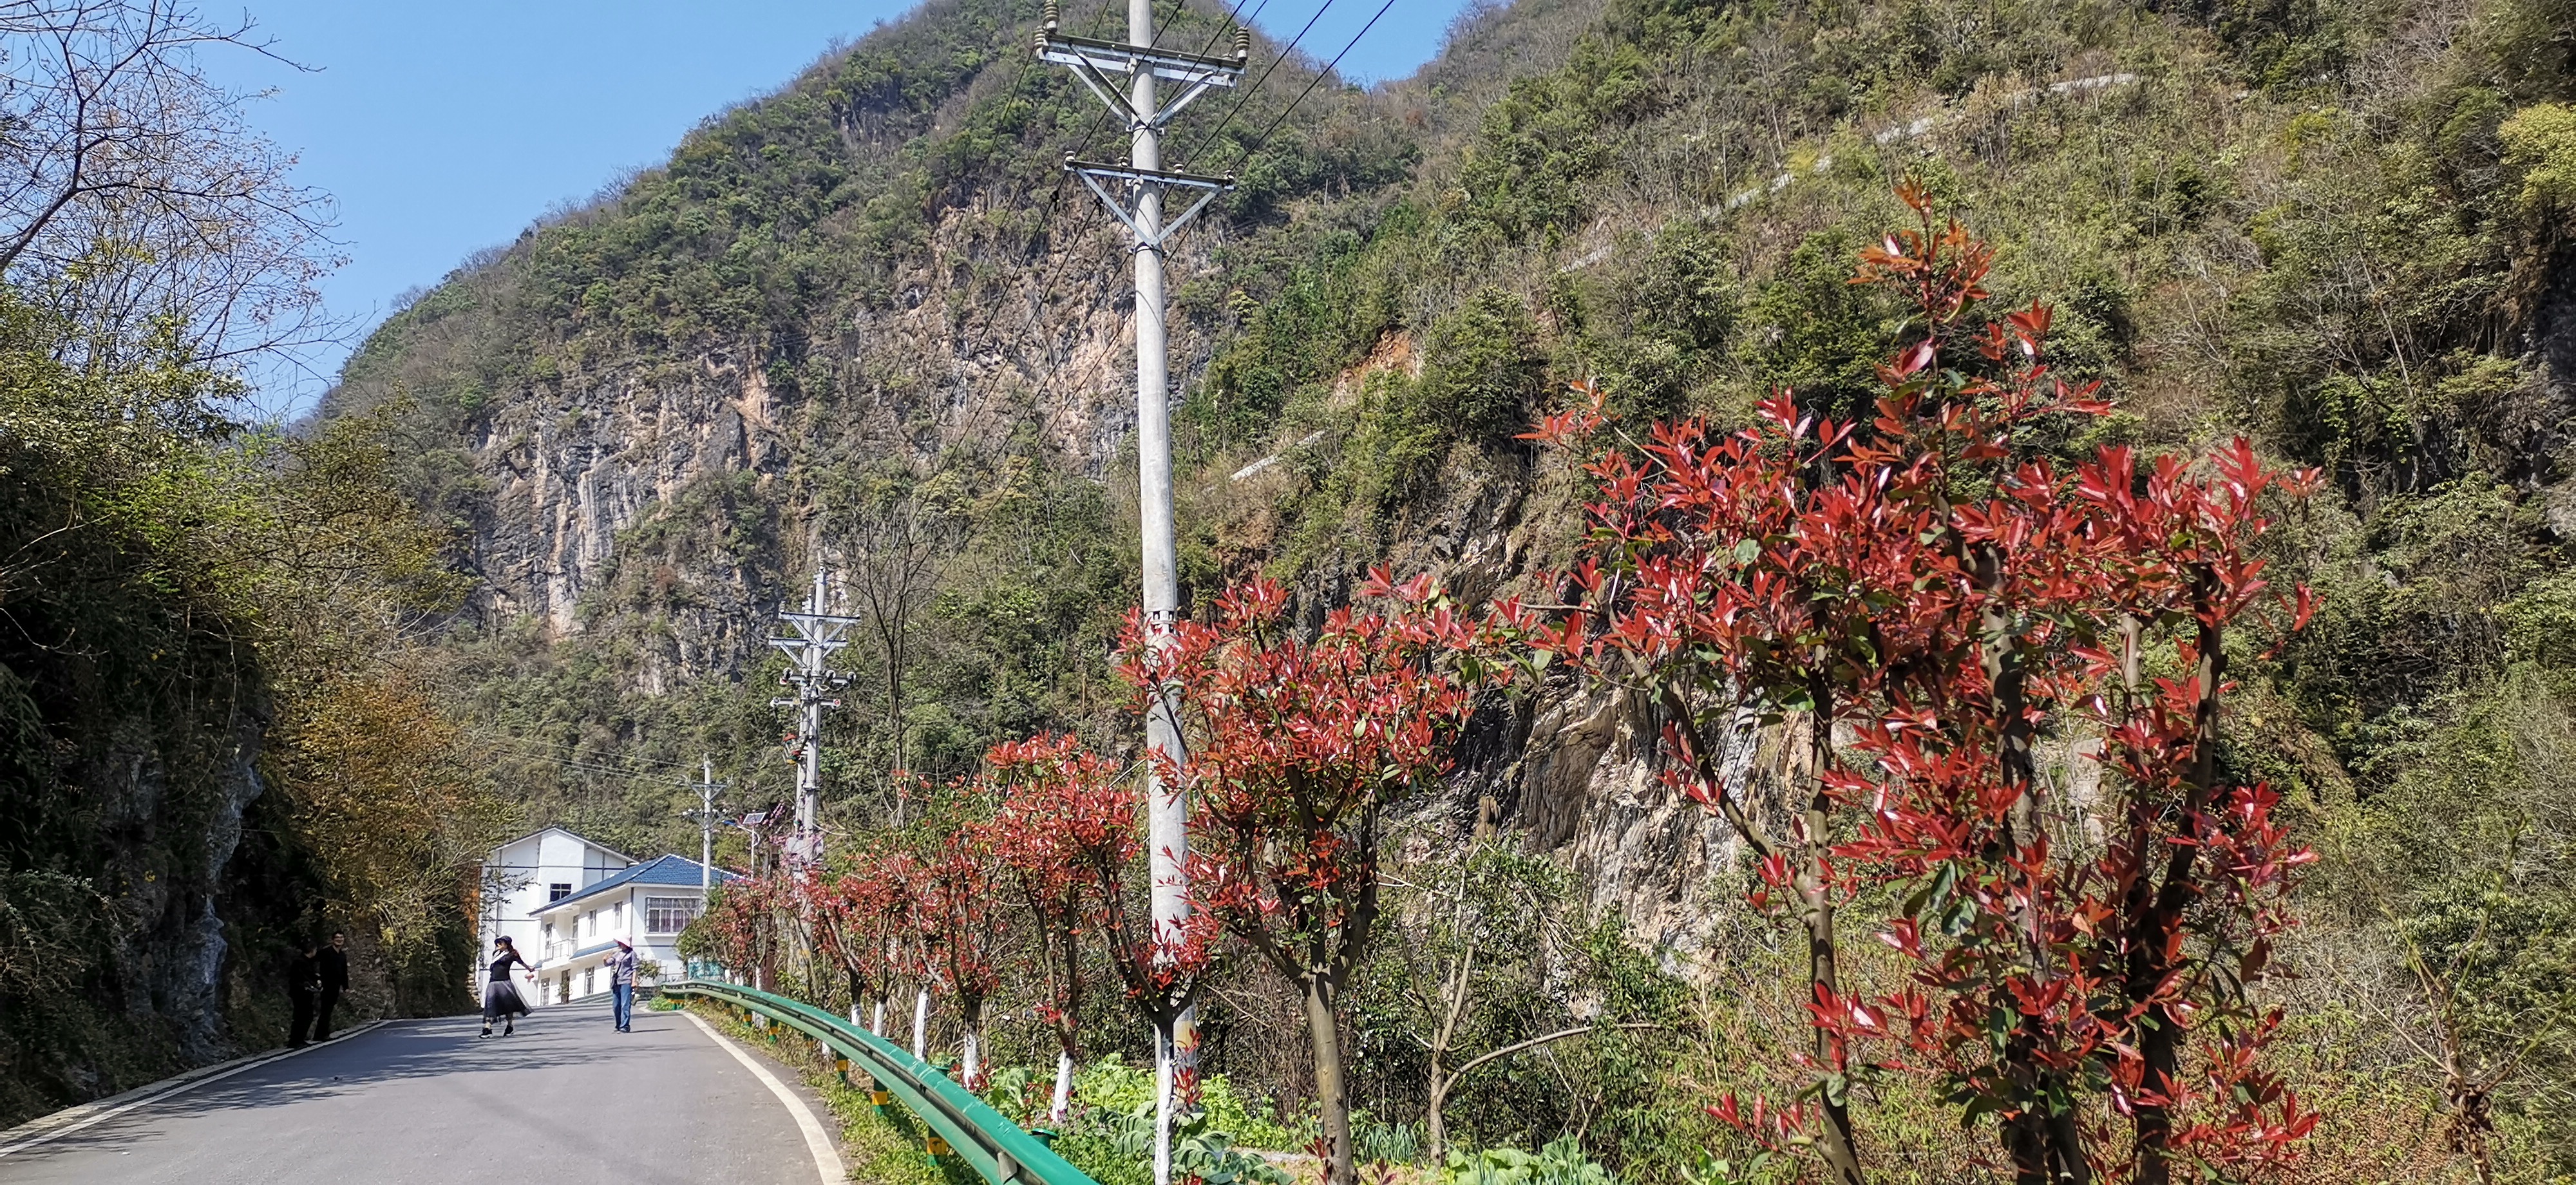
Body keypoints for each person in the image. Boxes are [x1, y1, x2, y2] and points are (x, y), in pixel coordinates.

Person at [482, 935, 535, 1038]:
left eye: (500, 943)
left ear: (506, 945)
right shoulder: (496, 954)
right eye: (497, 943)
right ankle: (488, 1028)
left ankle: (509, 1026)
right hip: (493, 982)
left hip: (504, 982)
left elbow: (521, 962)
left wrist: (529, 968)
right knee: (490, 1005)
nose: (498, 945)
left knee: (508, 1006)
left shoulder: (512, 954)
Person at [315, 931, 349, 1040]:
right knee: (326, 1009)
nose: (339, 940)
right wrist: (317, 978)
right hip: (326, 985)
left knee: (329, 1010)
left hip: (336, 986)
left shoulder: (342, 955)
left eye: (341, 938)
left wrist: (346, 986)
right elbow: (312, 961)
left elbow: (344, 971)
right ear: (333, 940)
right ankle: (322, 1034)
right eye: (337, 938)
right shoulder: (325, 952)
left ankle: (320, 1034)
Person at [286, 943, 320, 1048]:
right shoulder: (300, 962)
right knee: (301, 1016)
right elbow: (304, 977)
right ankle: (295, 1040)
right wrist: (315, 983)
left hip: (305, 992)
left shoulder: (307, 962)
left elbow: (310, 975)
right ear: (312, 950)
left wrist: (317, 981)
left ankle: (299, 1039)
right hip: (300, 992)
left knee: (306, 1016)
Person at [605, 938, 638, 1033]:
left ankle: (625, 1026)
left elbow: (635, 969)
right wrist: (605, 960)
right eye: (619, 943)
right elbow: (608, 963)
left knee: (625, 1005)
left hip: (627, 981)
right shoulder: (617, 953)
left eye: (621, 943)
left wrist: (634, 981)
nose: (620, 945)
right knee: (616, 1006)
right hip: (616, 982)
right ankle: (618, 1025)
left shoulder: (632, 954)